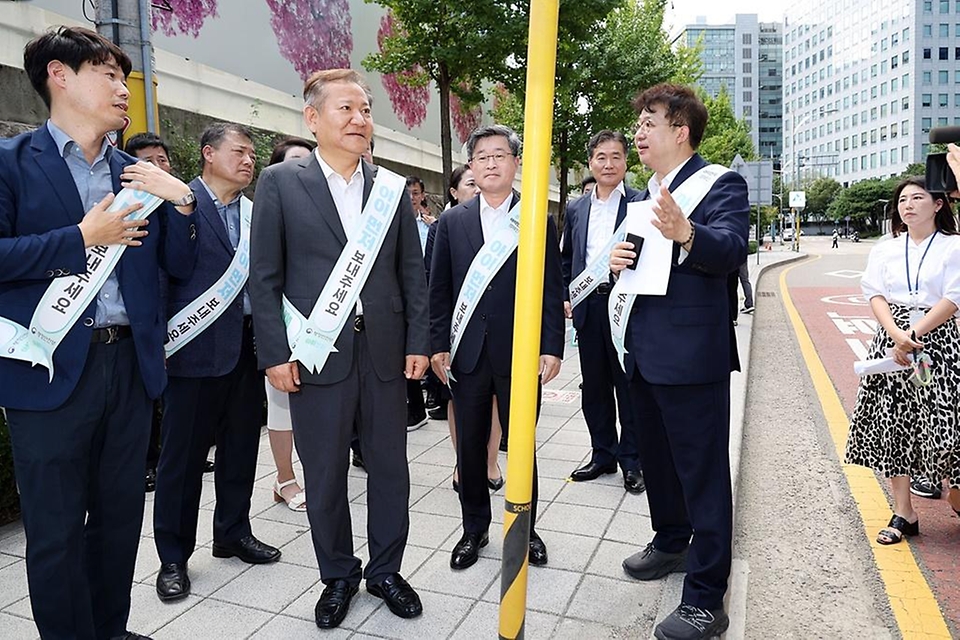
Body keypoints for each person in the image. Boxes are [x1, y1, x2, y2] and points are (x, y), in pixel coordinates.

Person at [0, 26, 198, 640]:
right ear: (59, 76)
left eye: (123, 76)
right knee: (56, 531)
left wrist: (185, 204)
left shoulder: (138, 174)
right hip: (47, 371)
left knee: (117, 521)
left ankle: (109, 628)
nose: (122, 88)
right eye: (108, 75)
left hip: (128, 372)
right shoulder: (11, 163)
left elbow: (182, 269)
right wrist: (80, 240)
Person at [249, 68, 429, 630]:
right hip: (313, 354)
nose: (360, 120)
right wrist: (274, 354)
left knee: (390, 471)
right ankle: (338, 576)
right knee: (324, 473)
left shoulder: (390, 188)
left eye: (367, 110)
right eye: (347, 109)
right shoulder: (281, 182)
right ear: (313, 118)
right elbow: (265, 275)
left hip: (383, 353)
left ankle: (385, 570)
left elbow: (411, 273)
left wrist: (419, 341)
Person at [609, 83, 748, 640]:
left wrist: (688, 232)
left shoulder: (720, 183)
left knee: (704, 474)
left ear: (681, 130)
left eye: (649, 122)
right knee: (658, 464)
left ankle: (707, 596)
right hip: (642, 354)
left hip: (692, 358)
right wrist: (616, 259)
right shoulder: (644, 195)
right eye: (638, 123)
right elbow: (639, 269)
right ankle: (670, 541)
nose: (638, 133)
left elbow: (733, 248)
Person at [153, 122, 282, 603]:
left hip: (247, 351)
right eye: (240, 152)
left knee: (242, 448)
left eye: (253, 154)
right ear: (208, 153)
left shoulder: (255, 213)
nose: (249, 161)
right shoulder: (176, 200)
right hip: (190, 352)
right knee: (182, 462)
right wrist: (158, 347)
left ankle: (232, 531)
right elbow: (163, 277)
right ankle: (172, 557)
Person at [429, 124, 565, 571]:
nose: (491, 163)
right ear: (471, 166)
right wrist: (437, 345)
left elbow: (550, 287)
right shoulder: (451, 222)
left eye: (500, 155)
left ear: (516, 163)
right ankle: (474, 529)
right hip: (466, 354)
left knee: (522, 445)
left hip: (520, 353)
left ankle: (525, 528)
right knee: (469, 447)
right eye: (482, 157)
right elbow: (440, 290)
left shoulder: (535, 219)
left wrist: (552, 346)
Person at [845, 176, 960, 542]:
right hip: (892, 344)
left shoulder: (953, 246)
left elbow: (953, 297)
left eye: (917, 198)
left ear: (938, 204)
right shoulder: (886, 247)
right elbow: (875, 293)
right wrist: (897, 335)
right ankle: (903, 513)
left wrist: (914, 336)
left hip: (936, 344)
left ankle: (952, 488)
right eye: (903, 200)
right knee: (893, 424)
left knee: (944, 422)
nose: (907, 205)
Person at [560, 130, 643, 494]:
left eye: (616, 157)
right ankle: (602, 454)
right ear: (590, 162)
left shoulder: (641, 205)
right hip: (588, 307)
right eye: (601, 157)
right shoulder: (577, 207)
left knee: (628, 387)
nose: (608, 164)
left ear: (627, 161)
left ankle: (632, 461)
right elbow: (567, 257)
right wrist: (566, 293)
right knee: (593, 386)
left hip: (625, 306)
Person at [424, 164, 503, 490]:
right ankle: (464, 465)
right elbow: (435, 284)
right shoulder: (447, 225)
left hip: (505, 336)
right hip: (461, 334)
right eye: (468, 183)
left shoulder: (520, 219)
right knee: (459, 402)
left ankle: (491, 460)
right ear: (455, 192)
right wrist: (437, 340)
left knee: (500, 402)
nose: (475, 186)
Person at [263, 135, 316, 511]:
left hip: (323, 326)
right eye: (295, 161)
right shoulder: (272, 201)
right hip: (285, 323)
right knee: (280, 408)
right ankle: (285, 478)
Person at [124, 132, 175, 495]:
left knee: (162, 397)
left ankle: (159, 456)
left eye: (163, 160)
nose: (158, 168)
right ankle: (144, 462)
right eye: (148, 161)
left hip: (169, 316)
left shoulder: (179, 202)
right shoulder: (126, 206)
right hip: (139, 322)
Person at [405, 175, 433, 430]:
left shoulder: (430, 227)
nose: (411, 197)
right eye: (407, 192)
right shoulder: (392, 224)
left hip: (427, 296)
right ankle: (414, 407)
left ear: (422, 195)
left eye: (415, 193)